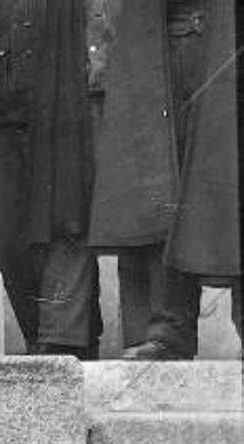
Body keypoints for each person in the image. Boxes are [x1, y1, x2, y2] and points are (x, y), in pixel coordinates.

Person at [89, 0, 240, 359]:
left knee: (231, 183)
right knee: (163, 186)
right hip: (162, 40)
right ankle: (171, 331)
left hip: (228, 37)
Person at [0, 0, 103, 358]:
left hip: (67, 110)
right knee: (7, 240)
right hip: (6, 119)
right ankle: (43, 333)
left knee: (67, 221)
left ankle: (63, 338)